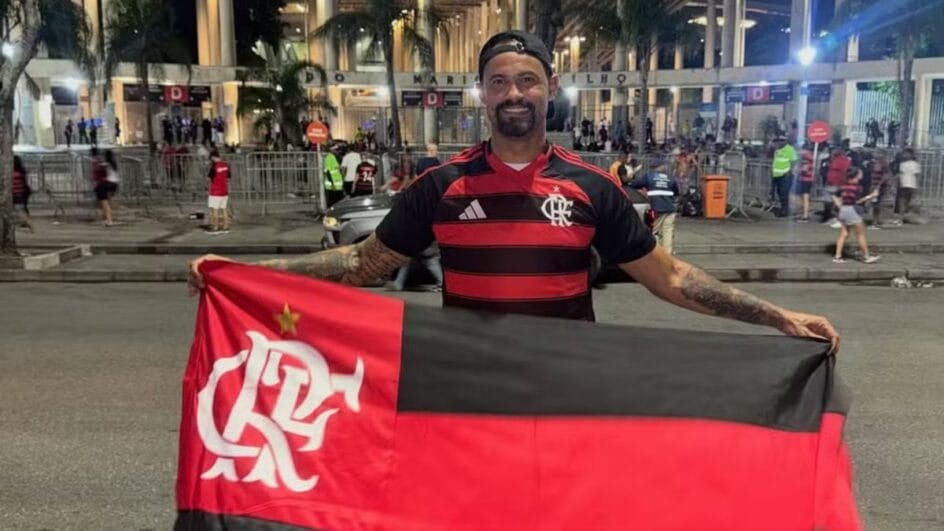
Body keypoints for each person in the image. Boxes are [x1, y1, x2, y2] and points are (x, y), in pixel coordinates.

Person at [190, 29, 839, 351]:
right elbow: (362, 264)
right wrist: (245, 273)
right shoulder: (441, 186)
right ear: (482, 94)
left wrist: (777, 316)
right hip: (472, 393)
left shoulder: (593, 188)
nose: (514, 93)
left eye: (526, 80)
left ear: (549, 87)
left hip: (567, 391)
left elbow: (669, 277)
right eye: (499, 82)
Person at [631, 157, 680, 254]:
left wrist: (633, 174)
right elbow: (676, 192)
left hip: (656, 209)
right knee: (668, 232)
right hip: (670, 209)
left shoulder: (648, 176)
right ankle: (667, 255)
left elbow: (634, 184)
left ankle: (655, 254)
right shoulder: (670, 178)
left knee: (654, 231)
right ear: (661, 166)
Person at [832, 167, 880, 264]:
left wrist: (839, 205)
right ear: (856, 175)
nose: (862, 174)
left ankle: (837, 256)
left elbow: (834, 195)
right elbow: (858, 201)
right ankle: (866, 256)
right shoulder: (857, 187)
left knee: (844, 234)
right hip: (852, 211)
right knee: (860, 235)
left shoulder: (842, 186)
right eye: (860, 173)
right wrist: (871, 196)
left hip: (843, 210)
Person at [823, 147, 851, 227]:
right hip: (833, 183)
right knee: (830, 201)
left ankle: (834, 218)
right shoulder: (836, 160)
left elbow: (844, 172)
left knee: (834, 201)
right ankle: (830, 217)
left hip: (836, 183)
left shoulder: (842, 160)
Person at [770, 137, 797, 218]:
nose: (777, 143)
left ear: (784, 142)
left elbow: (794, 161)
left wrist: (789, 172)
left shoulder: (790, 149)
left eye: (778, 142)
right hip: (776, 175)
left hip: (785, 176)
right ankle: (783, 208)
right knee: (779, 193)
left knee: (784, 193)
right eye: (776, 142)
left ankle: (784, 211)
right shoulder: (777, 150)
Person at [206, 149, 231, 234]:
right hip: (224, 190)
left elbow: (209, 178)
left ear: (213, 157)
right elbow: (228, 178)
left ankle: (215, 227)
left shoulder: (214, 167)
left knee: (215, 210)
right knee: (224, 209)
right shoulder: (226, 165)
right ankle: (226, 227)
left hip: (215, 191)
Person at [90, 148, 116, 226]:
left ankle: (109, 220)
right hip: (104, 183)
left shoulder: (98, 163)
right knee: (105, 203)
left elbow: (101, 171)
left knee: (105, 203)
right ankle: (107, 219)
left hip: (101, 184)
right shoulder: (101, 162)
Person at [867, 152, 893, 228]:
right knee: (874, 203)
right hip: (874, 185)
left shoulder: (883, 165)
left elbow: (885, 176)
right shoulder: (874, 164)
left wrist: (879, 185)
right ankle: (876, 220)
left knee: (876, 203)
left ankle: (875, 221)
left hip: (878, 187)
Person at [12, 156, 33, 232]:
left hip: (14, 193)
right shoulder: (21, 172)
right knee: (21, 209)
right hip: (20, 193)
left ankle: (26, 223)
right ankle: (26, 223)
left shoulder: (12, 173)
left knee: (19, 210)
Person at [896, 148, 920, 216]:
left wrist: (917, 186)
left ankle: (902, 214)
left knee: (907, 200)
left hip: (911, 184)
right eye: (904, 153)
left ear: (911, 155)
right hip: (903, 184)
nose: (905, 155)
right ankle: (901, 215)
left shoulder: (915, 164)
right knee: (902, 200)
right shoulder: (902, 164)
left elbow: (917, 175)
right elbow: (901, 174)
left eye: (907, 153)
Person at [794, 150, 814, 222]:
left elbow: (804, 169)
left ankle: (805, 216)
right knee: (804, 198)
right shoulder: (810, 159)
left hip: (805, 180)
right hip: (807, 180)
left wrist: (798, 169)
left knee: (805, 198)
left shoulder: (806, 160)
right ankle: (805, 213)